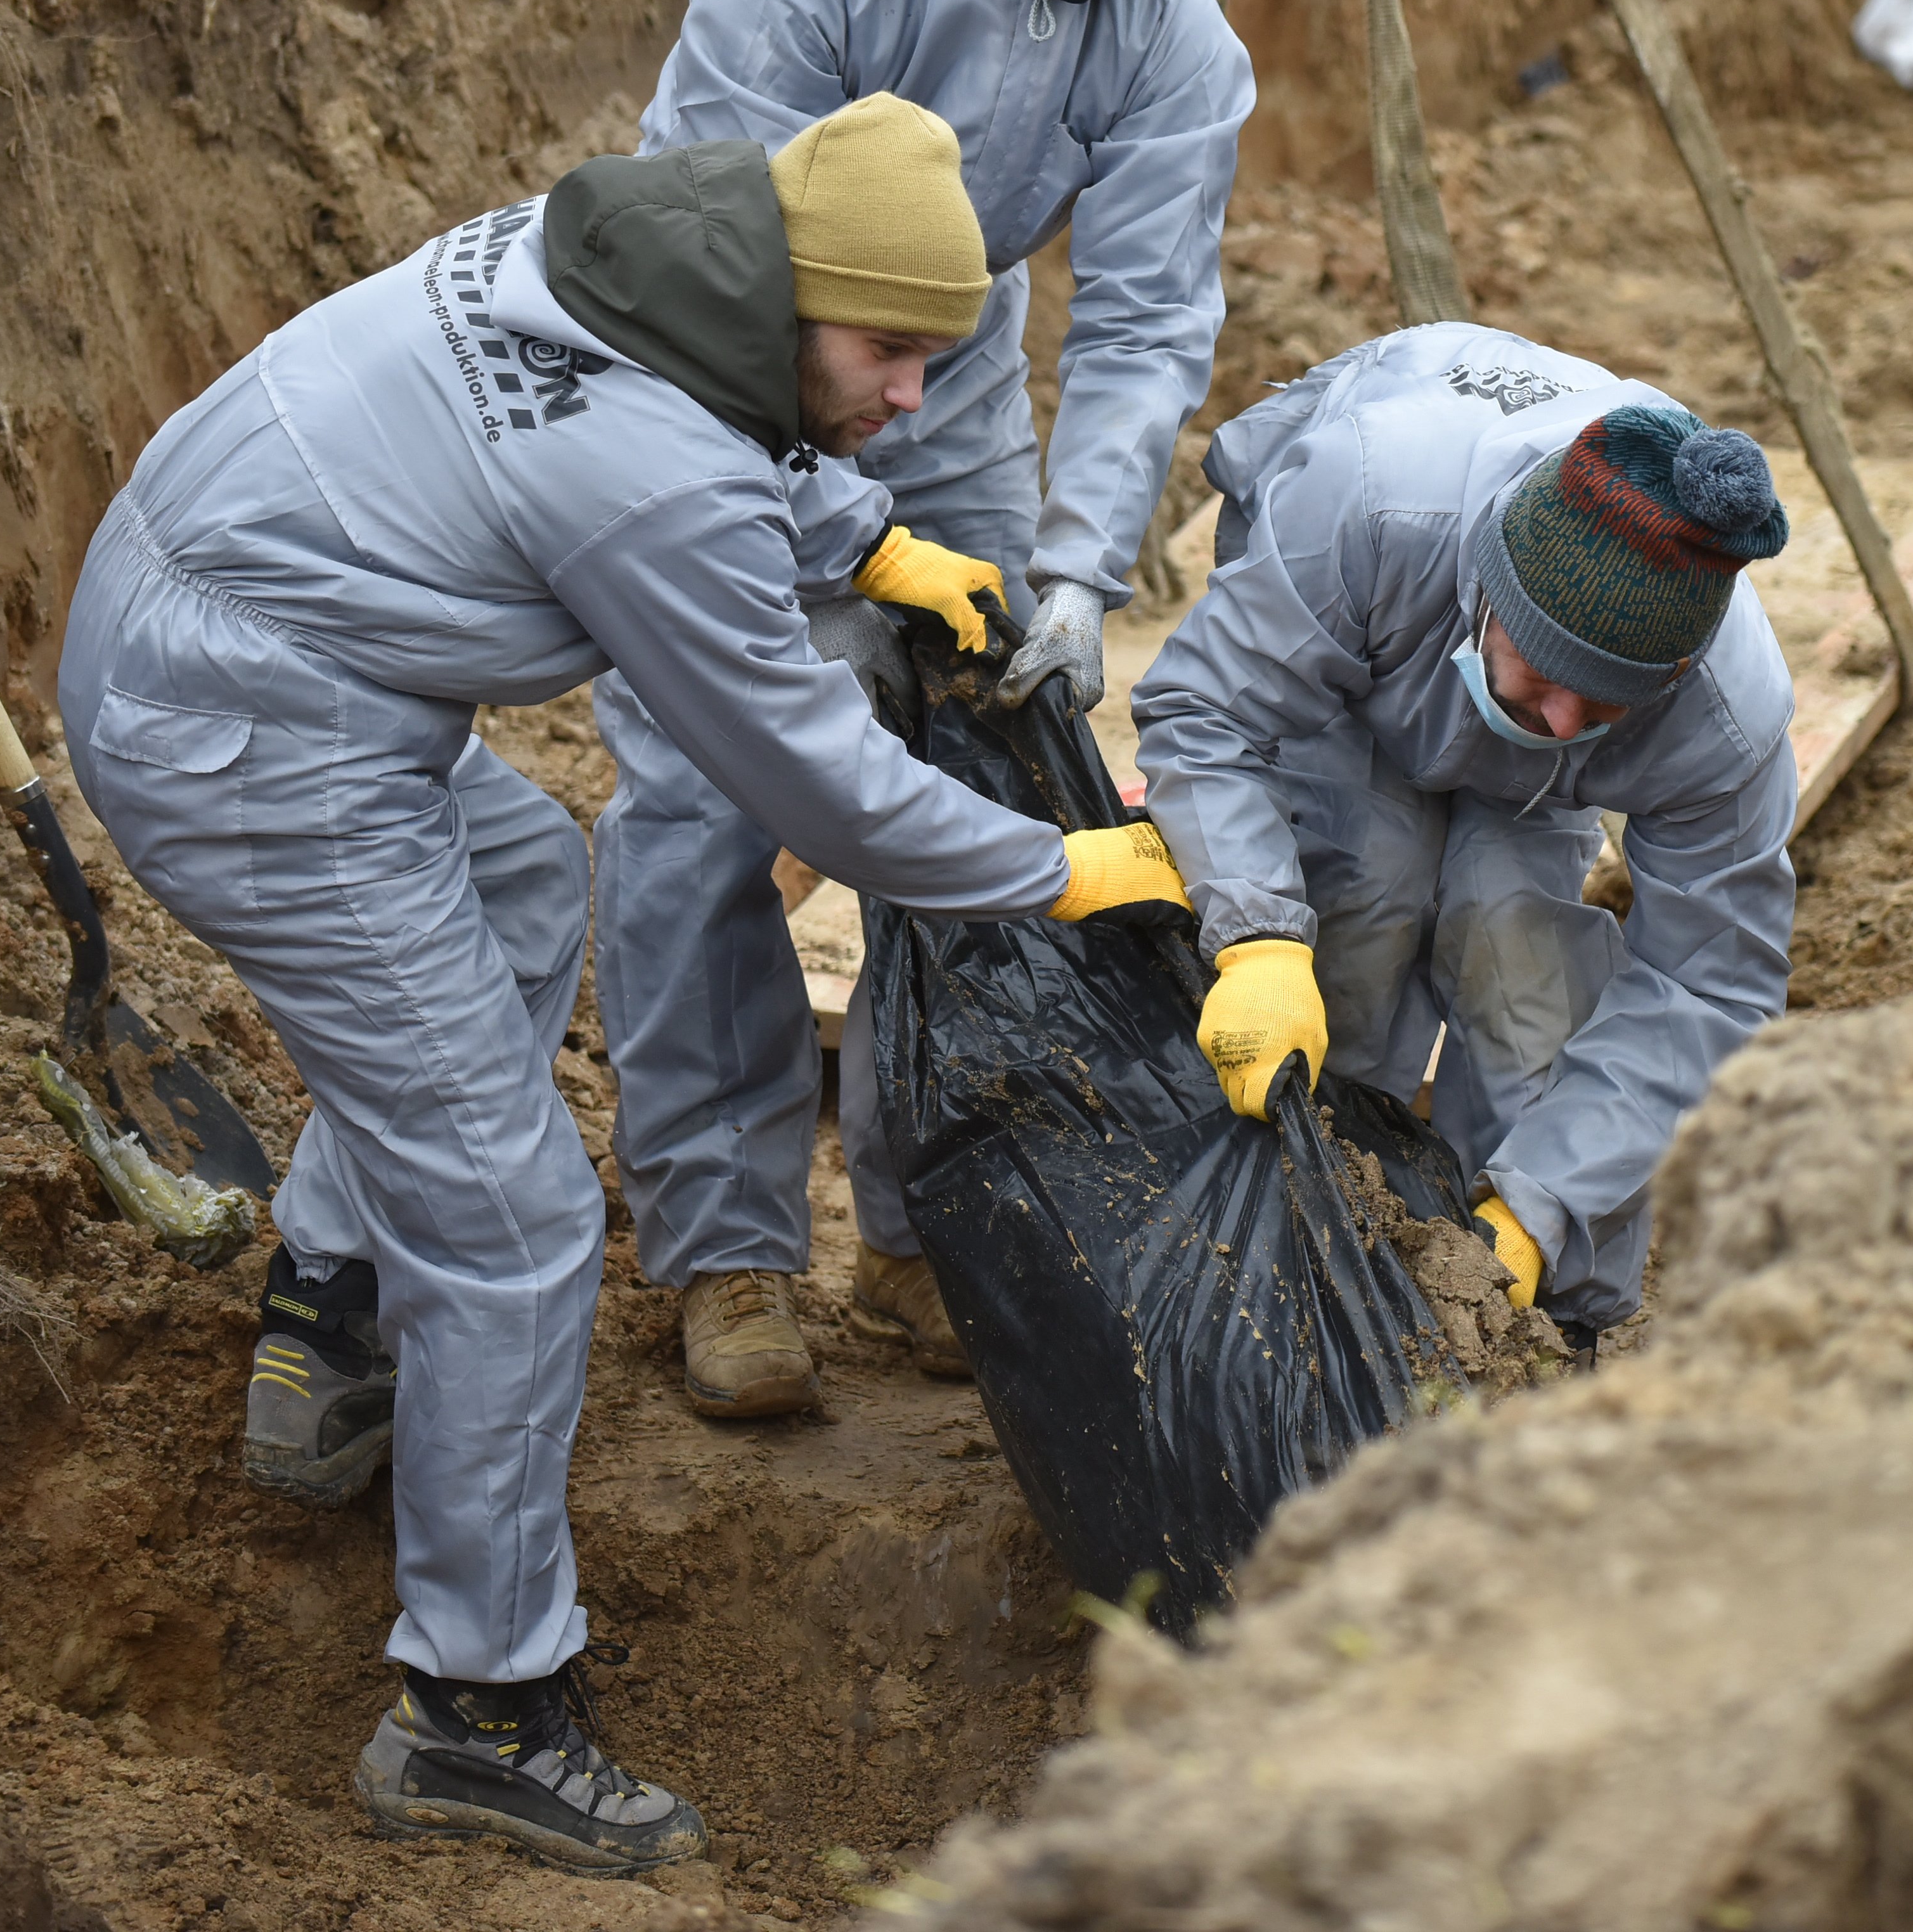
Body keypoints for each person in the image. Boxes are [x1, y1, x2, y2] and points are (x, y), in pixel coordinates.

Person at [60, 94, 1188, 1874]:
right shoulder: (650, 471)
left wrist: (867, 539)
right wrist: (1063, 868)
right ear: (797, 293)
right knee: (512, 1225)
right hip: (247, 730)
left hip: (244, 623)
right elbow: (818, 786)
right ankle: (479, 1712)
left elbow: (740, 432)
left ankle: (333, 1311)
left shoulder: (635, 261)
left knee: (519, 877)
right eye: (891, 354)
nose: (911, 396)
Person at [594, 0, 1251, 1417]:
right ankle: (729, 1252)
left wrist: (1073, 570)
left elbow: (1138, 319)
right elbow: (725, 289)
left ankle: (915, 1228)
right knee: (710, 794)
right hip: (733, 401)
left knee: (982, 790)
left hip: (951, 412)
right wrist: (841, 538)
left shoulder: (1170, 27)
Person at [1132, 325, 1800, 1332]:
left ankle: (1538, 1318)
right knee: (1360, 899)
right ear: (1492, 584)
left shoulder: (1724, 715)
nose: (1567, 724)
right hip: (1359, 664)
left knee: (1519, 962)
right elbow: (1210, 714)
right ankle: (1287, 1263)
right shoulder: (1364, 500)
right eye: (1551, 675)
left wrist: (1544, 1214)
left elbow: (1708, 981)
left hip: (1510, 739)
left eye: (1610, 706)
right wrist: (1259, 939)